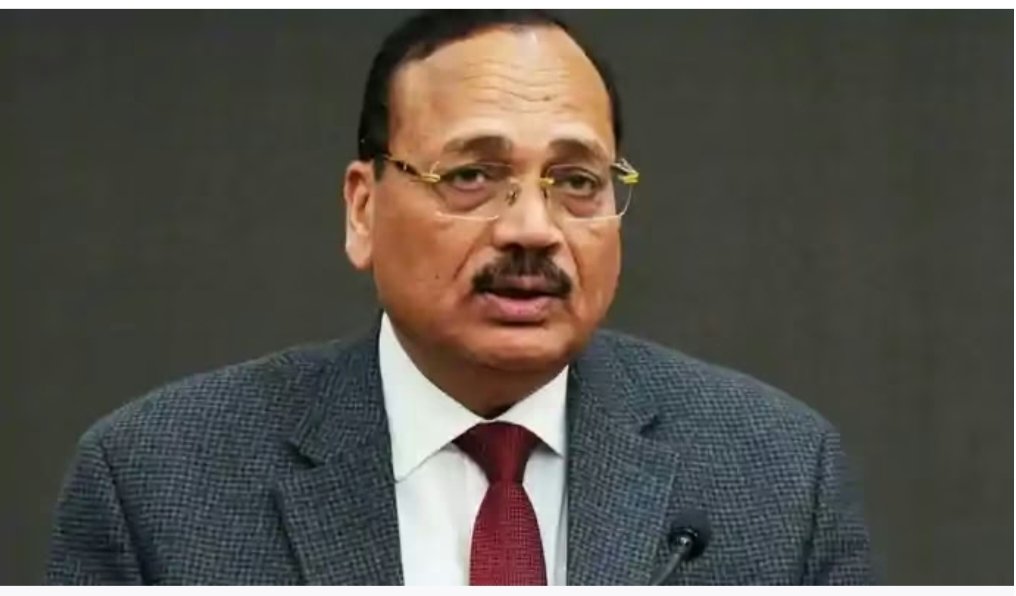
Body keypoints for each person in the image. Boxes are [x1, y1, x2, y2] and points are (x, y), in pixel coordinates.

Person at [45, 10, 876, 585]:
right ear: (363, 209)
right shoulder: (157, 483)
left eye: (576, 181)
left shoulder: (775, 476)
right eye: (473, 175)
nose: (532, 230)